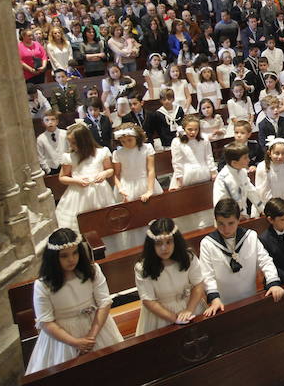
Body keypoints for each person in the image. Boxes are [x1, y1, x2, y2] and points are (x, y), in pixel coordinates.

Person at [24, 229, 123, 374]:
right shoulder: (43, 285)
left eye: (75, 253)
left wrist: (92, 336)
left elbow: (104, 303)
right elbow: (46, 322)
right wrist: (75, 343)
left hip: (96, 326)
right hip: (63, 337)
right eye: (64, 256)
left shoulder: (92, 271)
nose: (71, 259)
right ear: (53, 258)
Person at [200, 198, 284, 316]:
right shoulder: (207, 244)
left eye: (231, 223)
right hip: (223, 305)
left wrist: (273, 282)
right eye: (221, 224)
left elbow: (265, 261)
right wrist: (214, 299)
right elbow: (207, 275)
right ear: (215, 220)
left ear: (238, 219)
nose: (226, 229)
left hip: (251, 299)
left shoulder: (250, 237)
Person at [133, 218, 205, 336]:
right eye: (159, 243)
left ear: (175, 241)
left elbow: (198, 285)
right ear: (151, 245)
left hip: (189, 306)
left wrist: (189, 310)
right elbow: (148, 301)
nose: (164, 248)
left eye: (168, 242)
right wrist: (175, 318)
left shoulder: (188, 258)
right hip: (160, 315)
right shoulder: (142, 268)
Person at [55, 123, 115, 231]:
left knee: (103, 222)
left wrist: (104, 174)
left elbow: (110, 169)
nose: (71, 146)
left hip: (100, 191)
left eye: (73, 143)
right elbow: (62, 177)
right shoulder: (69, 157)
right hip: (79, 193)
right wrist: (76, 180)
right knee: (81, 225)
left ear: (84, 141)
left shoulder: (102, 152)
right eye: (69, 143)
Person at [112, 123, 159, 203]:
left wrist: (150, 190)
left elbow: (150, 170)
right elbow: (117, 174)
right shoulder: (118, 153)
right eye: (123, 142)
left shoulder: (147, 148)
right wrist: (120, 188)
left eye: (129, 140)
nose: (127, 143)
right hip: (126, 185)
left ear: (137, 137)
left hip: (146, 182)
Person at [213, 142, 261, 218]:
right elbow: (219, 204)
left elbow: (251, 191)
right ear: (234, 163)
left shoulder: (242, 172)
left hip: (242, 215)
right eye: (245, 158)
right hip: (228, 218)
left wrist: (262, 209)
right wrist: (234, 217)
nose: (249, 160)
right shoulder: (223, 179)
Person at [169, 115, 217, 190]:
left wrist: (213, 172)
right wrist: (179, 178)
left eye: (196, 129)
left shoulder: (204, 139)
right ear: (184, 129)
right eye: (190, 129)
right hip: (186, 174)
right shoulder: (177, 142)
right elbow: (177, 162)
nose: (193, 132)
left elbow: (209, 157)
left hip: (204, 172)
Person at [37, 110, 69, 175]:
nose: (50, 122)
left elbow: (70, 149)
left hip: (66, 164)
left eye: (53, 119)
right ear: (43, 123)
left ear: (57, 121)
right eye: (47, 120)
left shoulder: (65, 134)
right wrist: (47, 170)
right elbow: (40, 156)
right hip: (51, 168)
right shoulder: (40, 139)